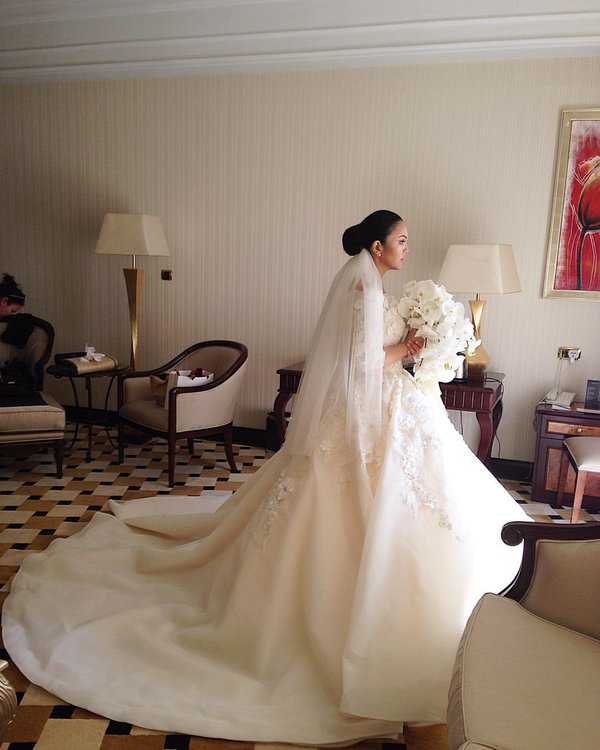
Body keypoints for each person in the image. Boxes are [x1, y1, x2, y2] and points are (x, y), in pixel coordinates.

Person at [3, 211, 528, 747]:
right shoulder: (363, 291)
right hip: (372, 405)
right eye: (402, 240)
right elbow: (363, 363)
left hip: (390, 403)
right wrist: (410, 347)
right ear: (377, 247)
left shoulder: (370, 286)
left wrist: (415, 343)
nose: (407, 248)